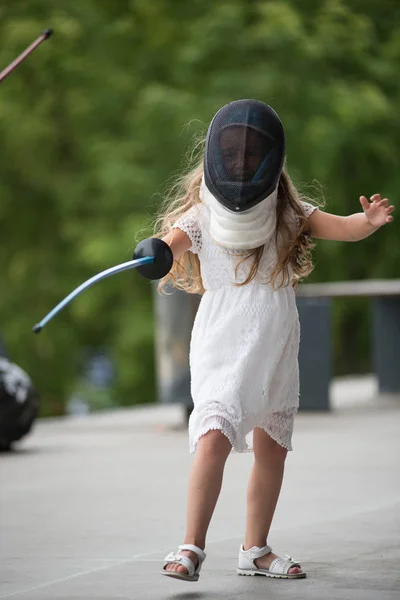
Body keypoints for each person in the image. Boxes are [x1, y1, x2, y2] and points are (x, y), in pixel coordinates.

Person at [134, 99, 395, 582]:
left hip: (274, 342)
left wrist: (369, 223)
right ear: (217, 158)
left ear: (269, 163)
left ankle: (254, 549)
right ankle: (190, 546)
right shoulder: (199, 215)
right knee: (213, 435)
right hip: (223, 341)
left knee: (271, 446)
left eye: (250, 157)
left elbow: (342, 227)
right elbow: (169, 247)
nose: (240, 165)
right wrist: (152, 255)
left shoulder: (288, 211)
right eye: (232, 156)